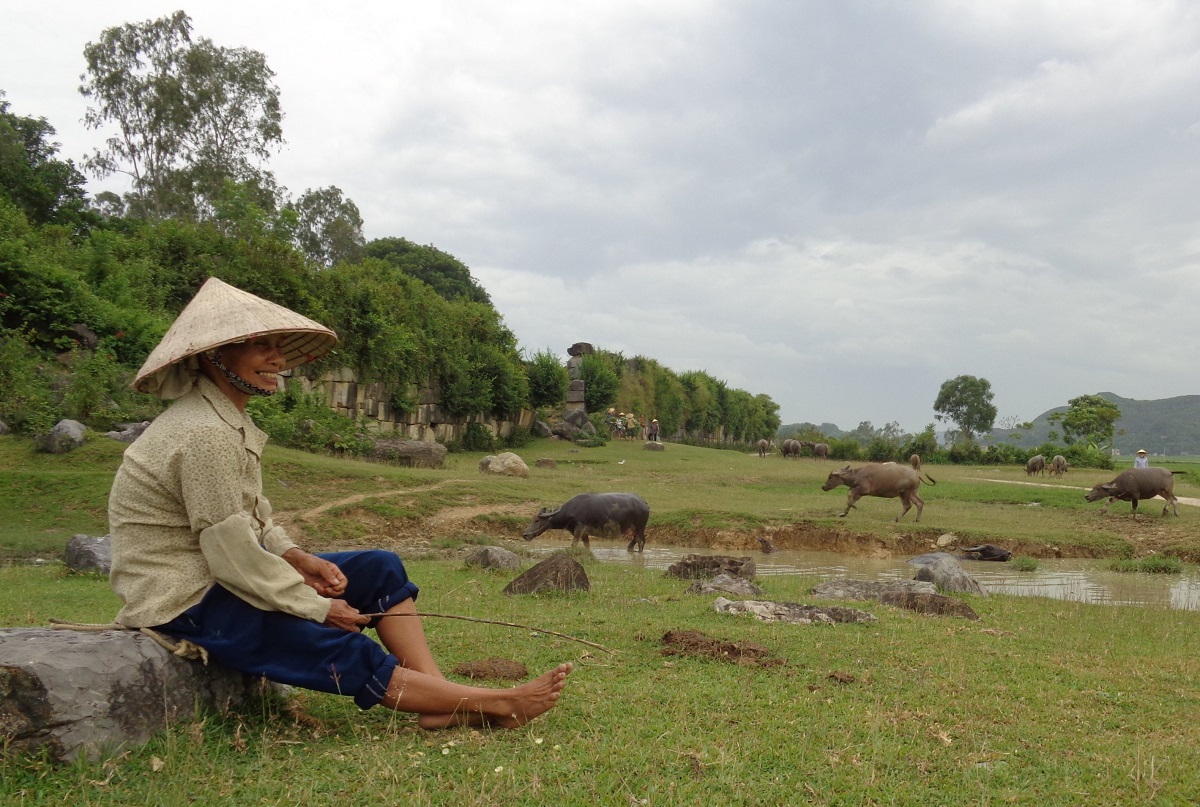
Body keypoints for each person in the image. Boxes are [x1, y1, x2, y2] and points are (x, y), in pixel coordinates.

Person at [108, 277, 571, 728]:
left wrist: (294, 556)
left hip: (224, 575)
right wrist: (316, 608)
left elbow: (253, 517)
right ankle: (495, 702)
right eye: (259, 346)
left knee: (378, 569)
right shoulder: (204, 434)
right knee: (335, 643)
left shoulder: (227, 421)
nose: (276, 358)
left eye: (277, 345)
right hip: (188, 597)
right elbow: (232, 554)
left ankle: (439, 697)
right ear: (214, 356)